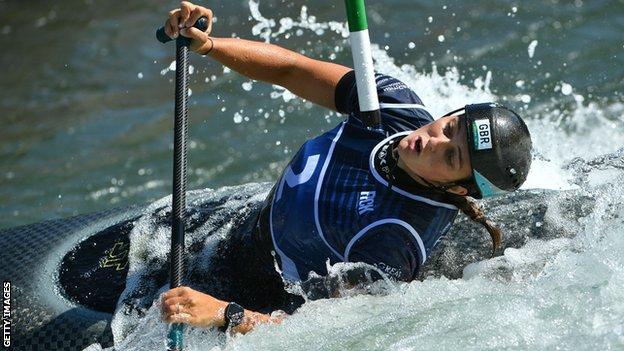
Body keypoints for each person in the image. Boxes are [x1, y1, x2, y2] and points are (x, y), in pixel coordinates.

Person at [160, 1, 532, 334]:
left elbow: (315, 333)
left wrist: (226, 314)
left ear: (457, 188)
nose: (434, 140)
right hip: (227, 235)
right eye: (449, 128)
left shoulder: (394, 238)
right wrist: (209, 46)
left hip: (254, 299)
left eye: (452, 157)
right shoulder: (391, 106)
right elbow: (291, 70)